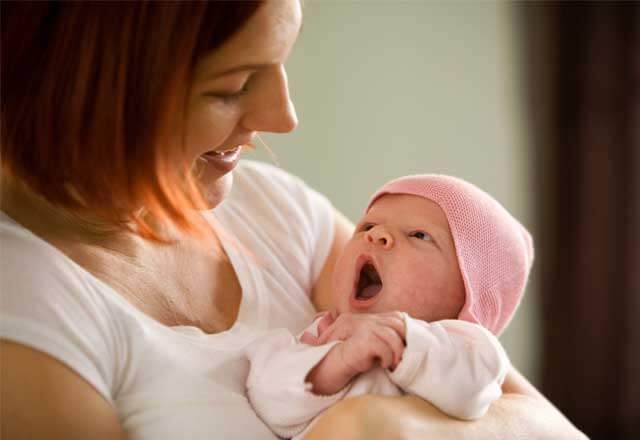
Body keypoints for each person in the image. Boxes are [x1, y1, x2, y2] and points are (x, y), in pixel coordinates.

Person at [0, 1, 586, 439]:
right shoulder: (28, 310)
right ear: (80, 88)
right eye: (232, 87)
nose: (283, 117)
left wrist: (375, 425)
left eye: (280, 65)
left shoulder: (272, 211)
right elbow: (282, 387)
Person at [246, 174, 533, 439]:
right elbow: (269, 402)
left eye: (419, 235)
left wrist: (403, 340)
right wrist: (334, 364)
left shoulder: (469, 349)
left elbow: (472, 391)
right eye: (367, 226)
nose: (377, 234)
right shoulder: (321, 338)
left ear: (469, 294)